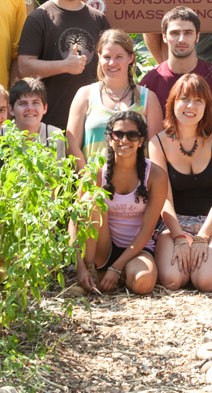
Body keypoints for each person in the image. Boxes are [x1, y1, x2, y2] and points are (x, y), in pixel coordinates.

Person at [150, 74, 212, 292]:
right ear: (172, 103)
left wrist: (203, 237)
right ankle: (192, 262)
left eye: (198, 100)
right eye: (184, 99)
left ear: (207, 106)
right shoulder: (157, 143)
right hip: (175, 224)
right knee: (172, 280)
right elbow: (163, 200)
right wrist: (179, 237)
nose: (191, 106)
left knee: (208, 281)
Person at [76, 111, 168, 295]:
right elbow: (74, 219)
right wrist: (79, 267)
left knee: (143, 283)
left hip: (137, 248)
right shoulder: (96, 173)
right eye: (118, 134)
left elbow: (147, 231)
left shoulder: (156, 176)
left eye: (132, 135)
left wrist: (117, 267)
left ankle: (115, 276)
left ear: (141, 141)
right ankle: (92, 272)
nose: (124, 140)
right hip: (103, 248)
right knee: (91, 201)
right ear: (110, 138)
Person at [18, 0, 110, 130]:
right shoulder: (40, 18)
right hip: (52, 123)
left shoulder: (98, 19)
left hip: (93, 121)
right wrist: (65, 65)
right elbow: (24, 68)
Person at [66, 29, 163, 173]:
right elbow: (72, 147)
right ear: (99, 57)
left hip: (136, 188)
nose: (112, 62)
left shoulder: (148, 98)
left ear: (130, 57)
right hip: (94, 189)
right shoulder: (85, 95)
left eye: (119, 57)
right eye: (107, 57)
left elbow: (155, 150)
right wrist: (90, 182)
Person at [140, 6, 212, 130]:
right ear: (164, 37)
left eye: (188, 33)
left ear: (197, 36)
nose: (181, 39)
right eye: (175, 33)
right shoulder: (150, 81)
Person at [9, 77, 66, 159]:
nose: (30, 108)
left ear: (45, 108)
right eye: (23, 103)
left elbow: (57, 170)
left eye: (35, 103)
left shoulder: (54, 135)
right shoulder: (0, 136)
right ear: (11, 109)